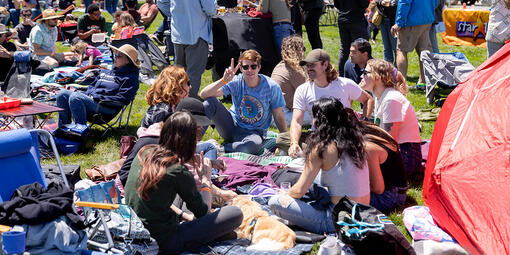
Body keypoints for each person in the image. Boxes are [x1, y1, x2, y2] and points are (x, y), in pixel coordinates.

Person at [125, 111, 243, 254]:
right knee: (235, 214)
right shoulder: (178, 171)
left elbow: (158, 199)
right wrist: (205, 179)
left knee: (181, 192)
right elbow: (203, 213)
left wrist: (184, 216)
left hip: (137, 227)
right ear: (191, 141)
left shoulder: (146, 151)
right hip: (164, 241)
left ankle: (207, 230)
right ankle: (209, 233)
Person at [268, 97, 370, 234]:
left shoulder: (321, 148)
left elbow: (299, 191)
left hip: (335, 221)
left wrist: (286, 193)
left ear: (318, 121)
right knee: (316, 181)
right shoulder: (355, 142)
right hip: (363, 213)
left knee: (274, 202)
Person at [119, 96, 238, 202]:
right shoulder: (162, 145)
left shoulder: (168, 134)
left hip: (140, 191)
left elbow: (184, 160)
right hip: (135, 190)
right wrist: (211, 185)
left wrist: (210, 163)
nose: (201, 129)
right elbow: (199, 204)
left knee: (209, 146)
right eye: (198, 126)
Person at [280, 49, 373, 158]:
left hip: (342, 134)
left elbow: (367, 99)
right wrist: (294, 143)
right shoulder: (303, 90)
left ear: (325, 64)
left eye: (312, 65)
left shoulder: (344, 84)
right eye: (307, 65)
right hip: (318, 135)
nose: (308, 68)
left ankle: (317, 154)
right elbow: (296, 121)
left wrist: (364, 121)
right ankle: (318, 153)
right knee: (281, 138)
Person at [200, 49, 288, 154]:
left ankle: (220, 148)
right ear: (241, 68)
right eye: (246, 67)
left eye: (253, 66)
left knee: (252, 147)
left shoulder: (271, 87)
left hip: (254, 133)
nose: (250, 70)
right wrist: (223, 81)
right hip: (231, 126)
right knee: (209, 102)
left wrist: (285, 139)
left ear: (259, 67)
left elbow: (278, 115)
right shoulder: (237, 81)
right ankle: (194, 141)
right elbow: (204, 95)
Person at [359, 58, 422, 180]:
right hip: (398, 152)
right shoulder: (380, 96)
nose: (362, 76)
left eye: (365, 73)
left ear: (377, 77)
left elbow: (390, 141)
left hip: (406, 157)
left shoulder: (391, 99)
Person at [56, 44, 140, 127]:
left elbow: (123, 99)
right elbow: (91, 87)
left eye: (119, 55)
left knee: (76, 97)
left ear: (128, 61)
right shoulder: (106, 72)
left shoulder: (130, 78)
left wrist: (97, 98)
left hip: (105, 108)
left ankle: (80, 132)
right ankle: (63, 128)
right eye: (115, 55)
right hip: (92, 101)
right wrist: (85, 94)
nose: (115, 57)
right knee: (62, 94)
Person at [170, 0, 216, 99]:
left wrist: (175, 14)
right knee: (193, 73)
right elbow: (210, 9)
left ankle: (175, 99)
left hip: (178, 32)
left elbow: (162, 3)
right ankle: (188, 103)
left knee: (178, 72)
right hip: (196, 32)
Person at [360, 121, 409, 212]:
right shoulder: (373, 129)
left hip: (389, 197)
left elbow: (378, 189)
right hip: (399, 189)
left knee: (340, 196)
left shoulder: (368, 147)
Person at [391, 0, 435, 85]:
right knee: (423, 52)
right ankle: (423, 82)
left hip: (410, 21)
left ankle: (401, 84)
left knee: (401, 51)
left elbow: (404, 2)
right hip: (427, 18)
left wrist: (399, 23)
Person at [270, 35, 309, 126]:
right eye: (303, 48)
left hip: (270, 113)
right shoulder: (295, 70)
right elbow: (305, 100)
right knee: (317, 114)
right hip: (280, 116)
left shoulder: (280, 65)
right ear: (299, 50)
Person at [334, 0, 370, 77]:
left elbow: (336, 4)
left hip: (343, 17)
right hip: (356, 19)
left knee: (344, 49)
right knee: (362, 48)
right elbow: (364, 3)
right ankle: (363, 75)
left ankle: (341, 75)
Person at [375, 0, 397, 64]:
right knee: (386, 46)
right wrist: (381, 2)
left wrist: (391, 3)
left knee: (396, 47)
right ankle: (387, 68)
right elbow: (376, 1)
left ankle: (397, 70)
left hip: (394, 21)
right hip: (383, 19)